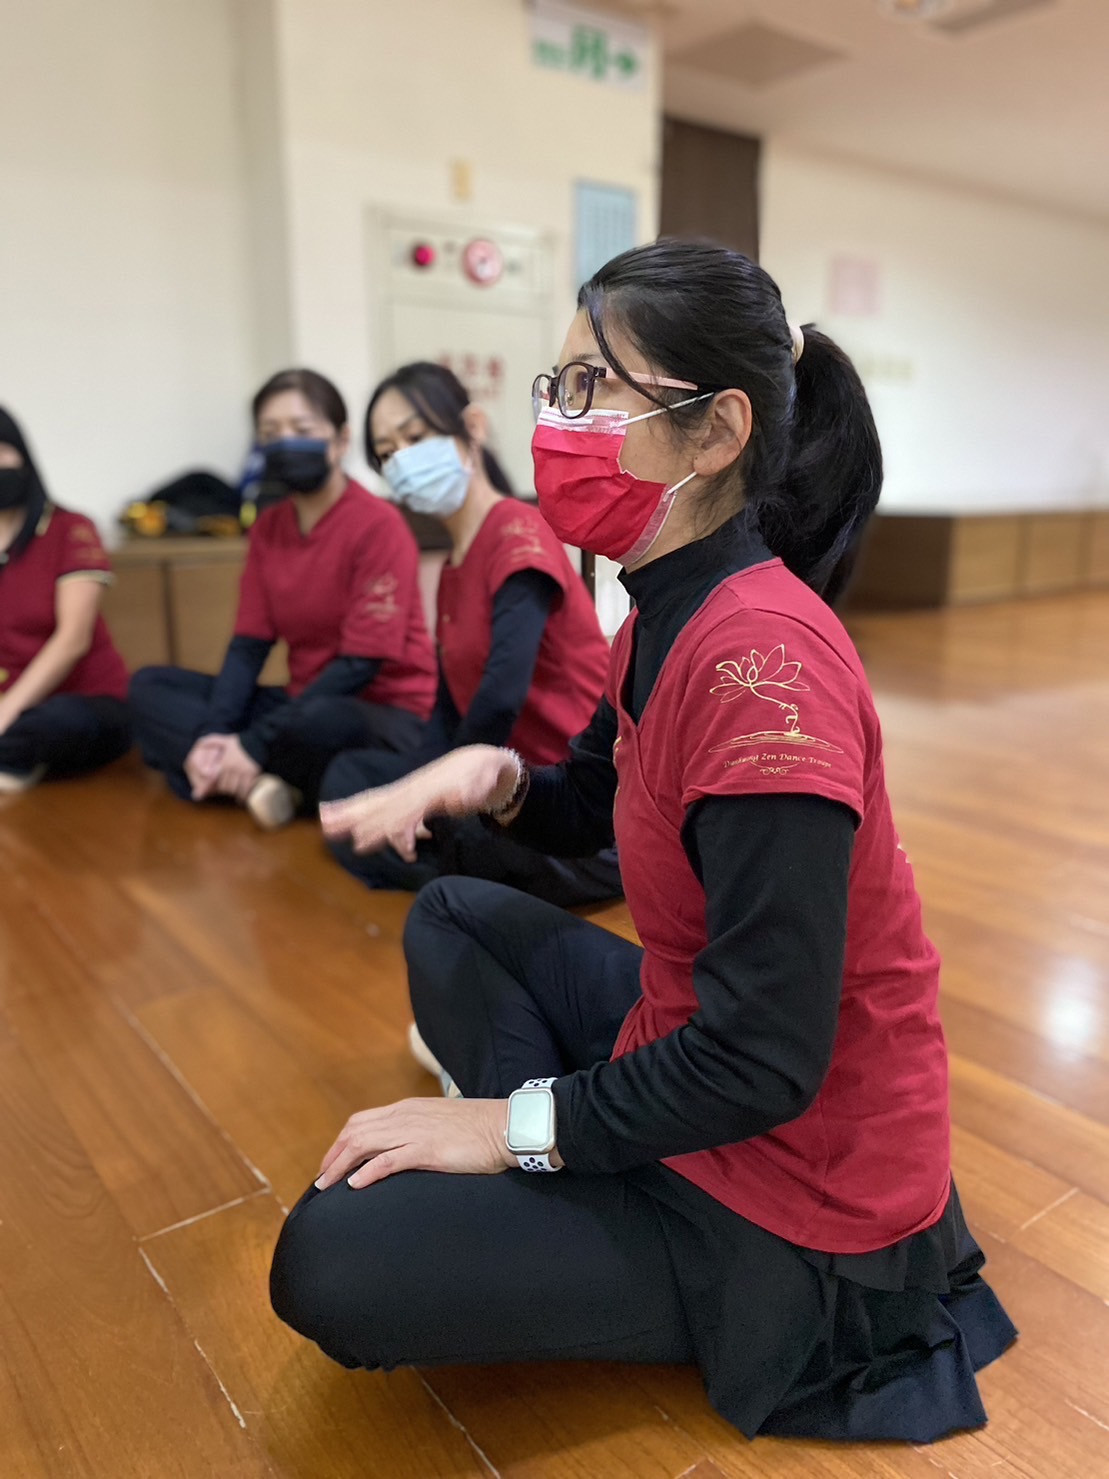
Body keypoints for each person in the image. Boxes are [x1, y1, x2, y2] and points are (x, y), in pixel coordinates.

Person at [269, 242, 1016, 1444]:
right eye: (554, 387)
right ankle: (570, 1143)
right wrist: (494, 779)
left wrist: (505, 1129)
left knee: (329, 1258)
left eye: (588, 388)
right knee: (452, 915)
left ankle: (561, 1147)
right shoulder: (661, 612)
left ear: (714, 430)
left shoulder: (763, 669)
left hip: (796, 1176)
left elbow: (767, 1058)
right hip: (689, 1038)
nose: (556, 421)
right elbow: (582, 807)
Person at [319, 362, 620, 907]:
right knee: (350, 774)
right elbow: (448, 704)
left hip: (561, 796)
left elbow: (500, 697)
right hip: (494, 781)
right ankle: (441, 861)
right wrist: (413, 786)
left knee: (448, 832)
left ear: (472, 428)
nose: (401, 459)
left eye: (414, 437)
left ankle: (445, 870)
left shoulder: (517, 531)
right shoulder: (455, 564)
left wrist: (431, 796)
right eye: (386, 453)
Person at [130, 369, 437, 828]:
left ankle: (232, 773)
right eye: (271, 433)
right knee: (150, 686)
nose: (285, 442)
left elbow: (360, 665)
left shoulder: (379, 526)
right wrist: (217, 732)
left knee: (321, 722)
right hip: (299, 702)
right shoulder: (268, 529)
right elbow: (248, 647)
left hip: (376, 711)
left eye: (302, 429)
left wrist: (253, 742)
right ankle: (257, 782)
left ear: (340, 440)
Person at [0, 407, 131, 792]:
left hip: (80, 701)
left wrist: (7, 712)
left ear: (22, 455)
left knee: (48, 724)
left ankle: (13, 754)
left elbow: (73, 639)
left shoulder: (70, 529)